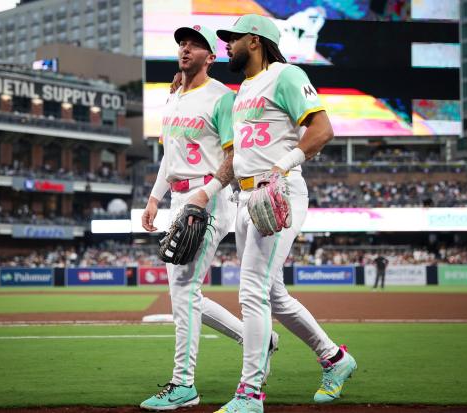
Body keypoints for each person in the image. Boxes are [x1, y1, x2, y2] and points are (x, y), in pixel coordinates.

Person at [213, 14, 357, 412]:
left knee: (252, 292)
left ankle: (250, 392)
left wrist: (284, 164)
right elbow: (241, 156)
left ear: (255, 42)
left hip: (278, 192)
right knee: (272, 293)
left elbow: (323, 129)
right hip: (247, 197)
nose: (227, 44)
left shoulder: (287, 75)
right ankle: (335, 358)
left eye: (233, 38)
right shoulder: (242, 90)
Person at [139, 25, 278, 411]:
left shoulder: (221, 98)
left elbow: (234, 159)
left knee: (183, 291)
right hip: (177, 200)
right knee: (186, 294)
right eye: (182, 43)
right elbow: (170, 157)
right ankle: (258, 341)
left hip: (209, 198)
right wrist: (154, 199)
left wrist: (206, 195)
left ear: (210, 57)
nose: (185, 48)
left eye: (195, 44)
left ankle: (184, 384)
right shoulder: (174, 97)